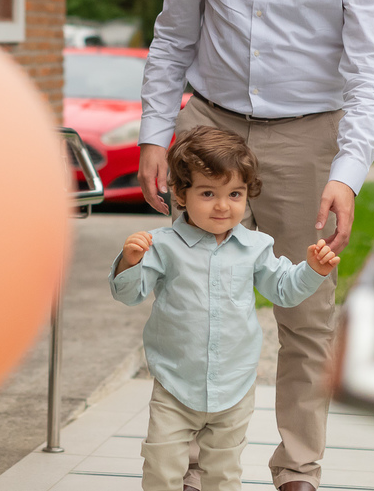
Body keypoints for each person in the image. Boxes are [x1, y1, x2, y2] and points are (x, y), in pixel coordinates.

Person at [136, 0, 374, 491]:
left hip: (310, 134)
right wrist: (156, 133)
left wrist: (346, 172)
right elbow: (172, 34)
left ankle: (297, 470)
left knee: (306, 314)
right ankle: (188, 468)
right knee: (190, 300)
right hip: (209, 127)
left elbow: (372, 72)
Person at [112, 126, 340, 491]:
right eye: (208, 193)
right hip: (175, 383)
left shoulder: (255, 246)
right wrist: (129, 262)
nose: (222, 205)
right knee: (161, 467)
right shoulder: (164, 246)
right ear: (181, 194)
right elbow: (130, 295)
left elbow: (283, 289)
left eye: (235, 193)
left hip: (233, 386)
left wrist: (312, 271)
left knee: (224, 472)